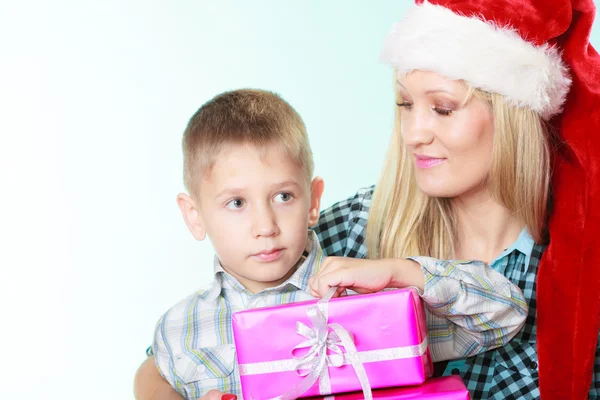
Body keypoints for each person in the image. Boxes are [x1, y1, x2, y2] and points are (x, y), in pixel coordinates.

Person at [137, 0, 600, 398]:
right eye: (404, 105)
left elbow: (504, 312)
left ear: (513, 112)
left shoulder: (581, 257)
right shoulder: (346, 230)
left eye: (442, 108)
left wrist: (407, 274)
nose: (414, 134)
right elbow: (169, 361)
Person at [138, 88, 529, 400]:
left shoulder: (364, 302)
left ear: (314, 202)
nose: (265, 226)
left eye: (283, 197)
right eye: (236, 203)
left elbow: (506, 314)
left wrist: (401, 271)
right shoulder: (180, 329)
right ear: (194, 215)